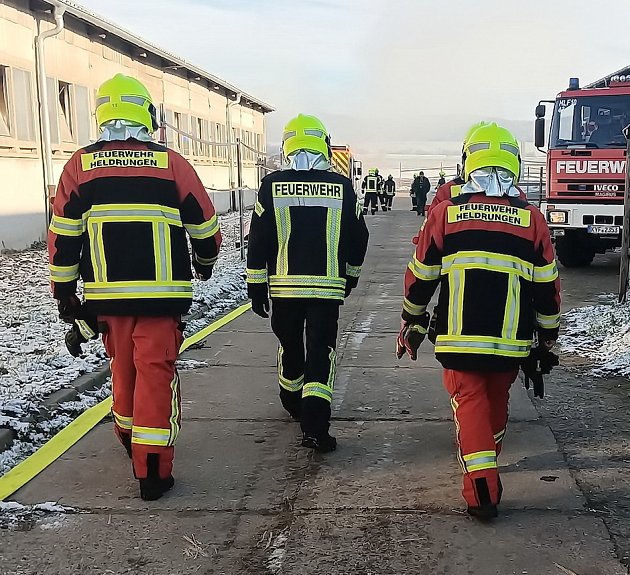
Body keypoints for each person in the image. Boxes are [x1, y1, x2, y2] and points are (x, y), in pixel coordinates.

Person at [48, 74, 221, 500]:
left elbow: (63, 236)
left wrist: (65, 291)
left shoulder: (80, 166)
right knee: (156, 376)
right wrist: (204, 264)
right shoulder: (170, 163)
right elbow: (206, 225)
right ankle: (154, 473)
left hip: (108, 301)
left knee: (123, 373)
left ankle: (128, 438)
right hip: (161, 301)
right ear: (147, 115)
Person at [397, 123, 561, 519]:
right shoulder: (532, 219)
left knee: (469, 406)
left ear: (468, 162)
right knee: (496, 404)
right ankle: (487, 460)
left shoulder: (445, 214)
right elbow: (547, 288)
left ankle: (482, 492)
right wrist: (547, 336)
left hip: (459, 340)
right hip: (511, 345)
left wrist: (412, 321)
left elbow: (420, 278)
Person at [246, 114, 369, 452]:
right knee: (321, 353)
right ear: (323, 146)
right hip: (326, 290)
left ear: (288, 146)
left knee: (290, 347)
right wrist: (351, 276)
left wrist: (256, 285)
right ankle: (315, 425)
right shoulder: (342, 187)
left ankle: (291, 399)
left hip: (284, 290)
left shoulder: (272, 185)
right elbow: (359, 236)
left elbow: (258, 239)